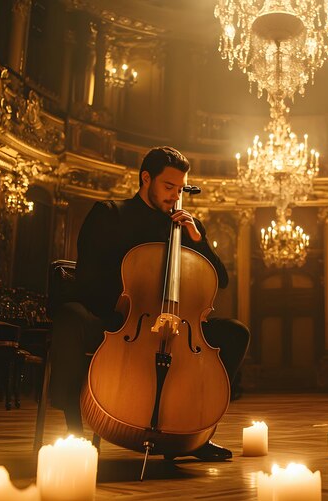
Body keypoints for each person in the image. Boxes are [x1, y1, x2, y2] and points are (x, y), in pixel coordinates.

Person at [49, 146, 250, 461]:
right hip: (119, 318)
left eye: (180, 189)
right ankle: (74, 432)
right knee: (70, 317)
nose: (175, 195)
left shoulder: (183, 227)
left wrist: (198, 239)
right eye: (168, 187)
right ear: (146, 179)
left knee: (236, 332)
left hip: (176, 323)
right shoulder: (109, 213)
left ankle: (196, 434)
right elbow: (89, 276)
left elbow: (220, 278)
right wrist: (125, 305)